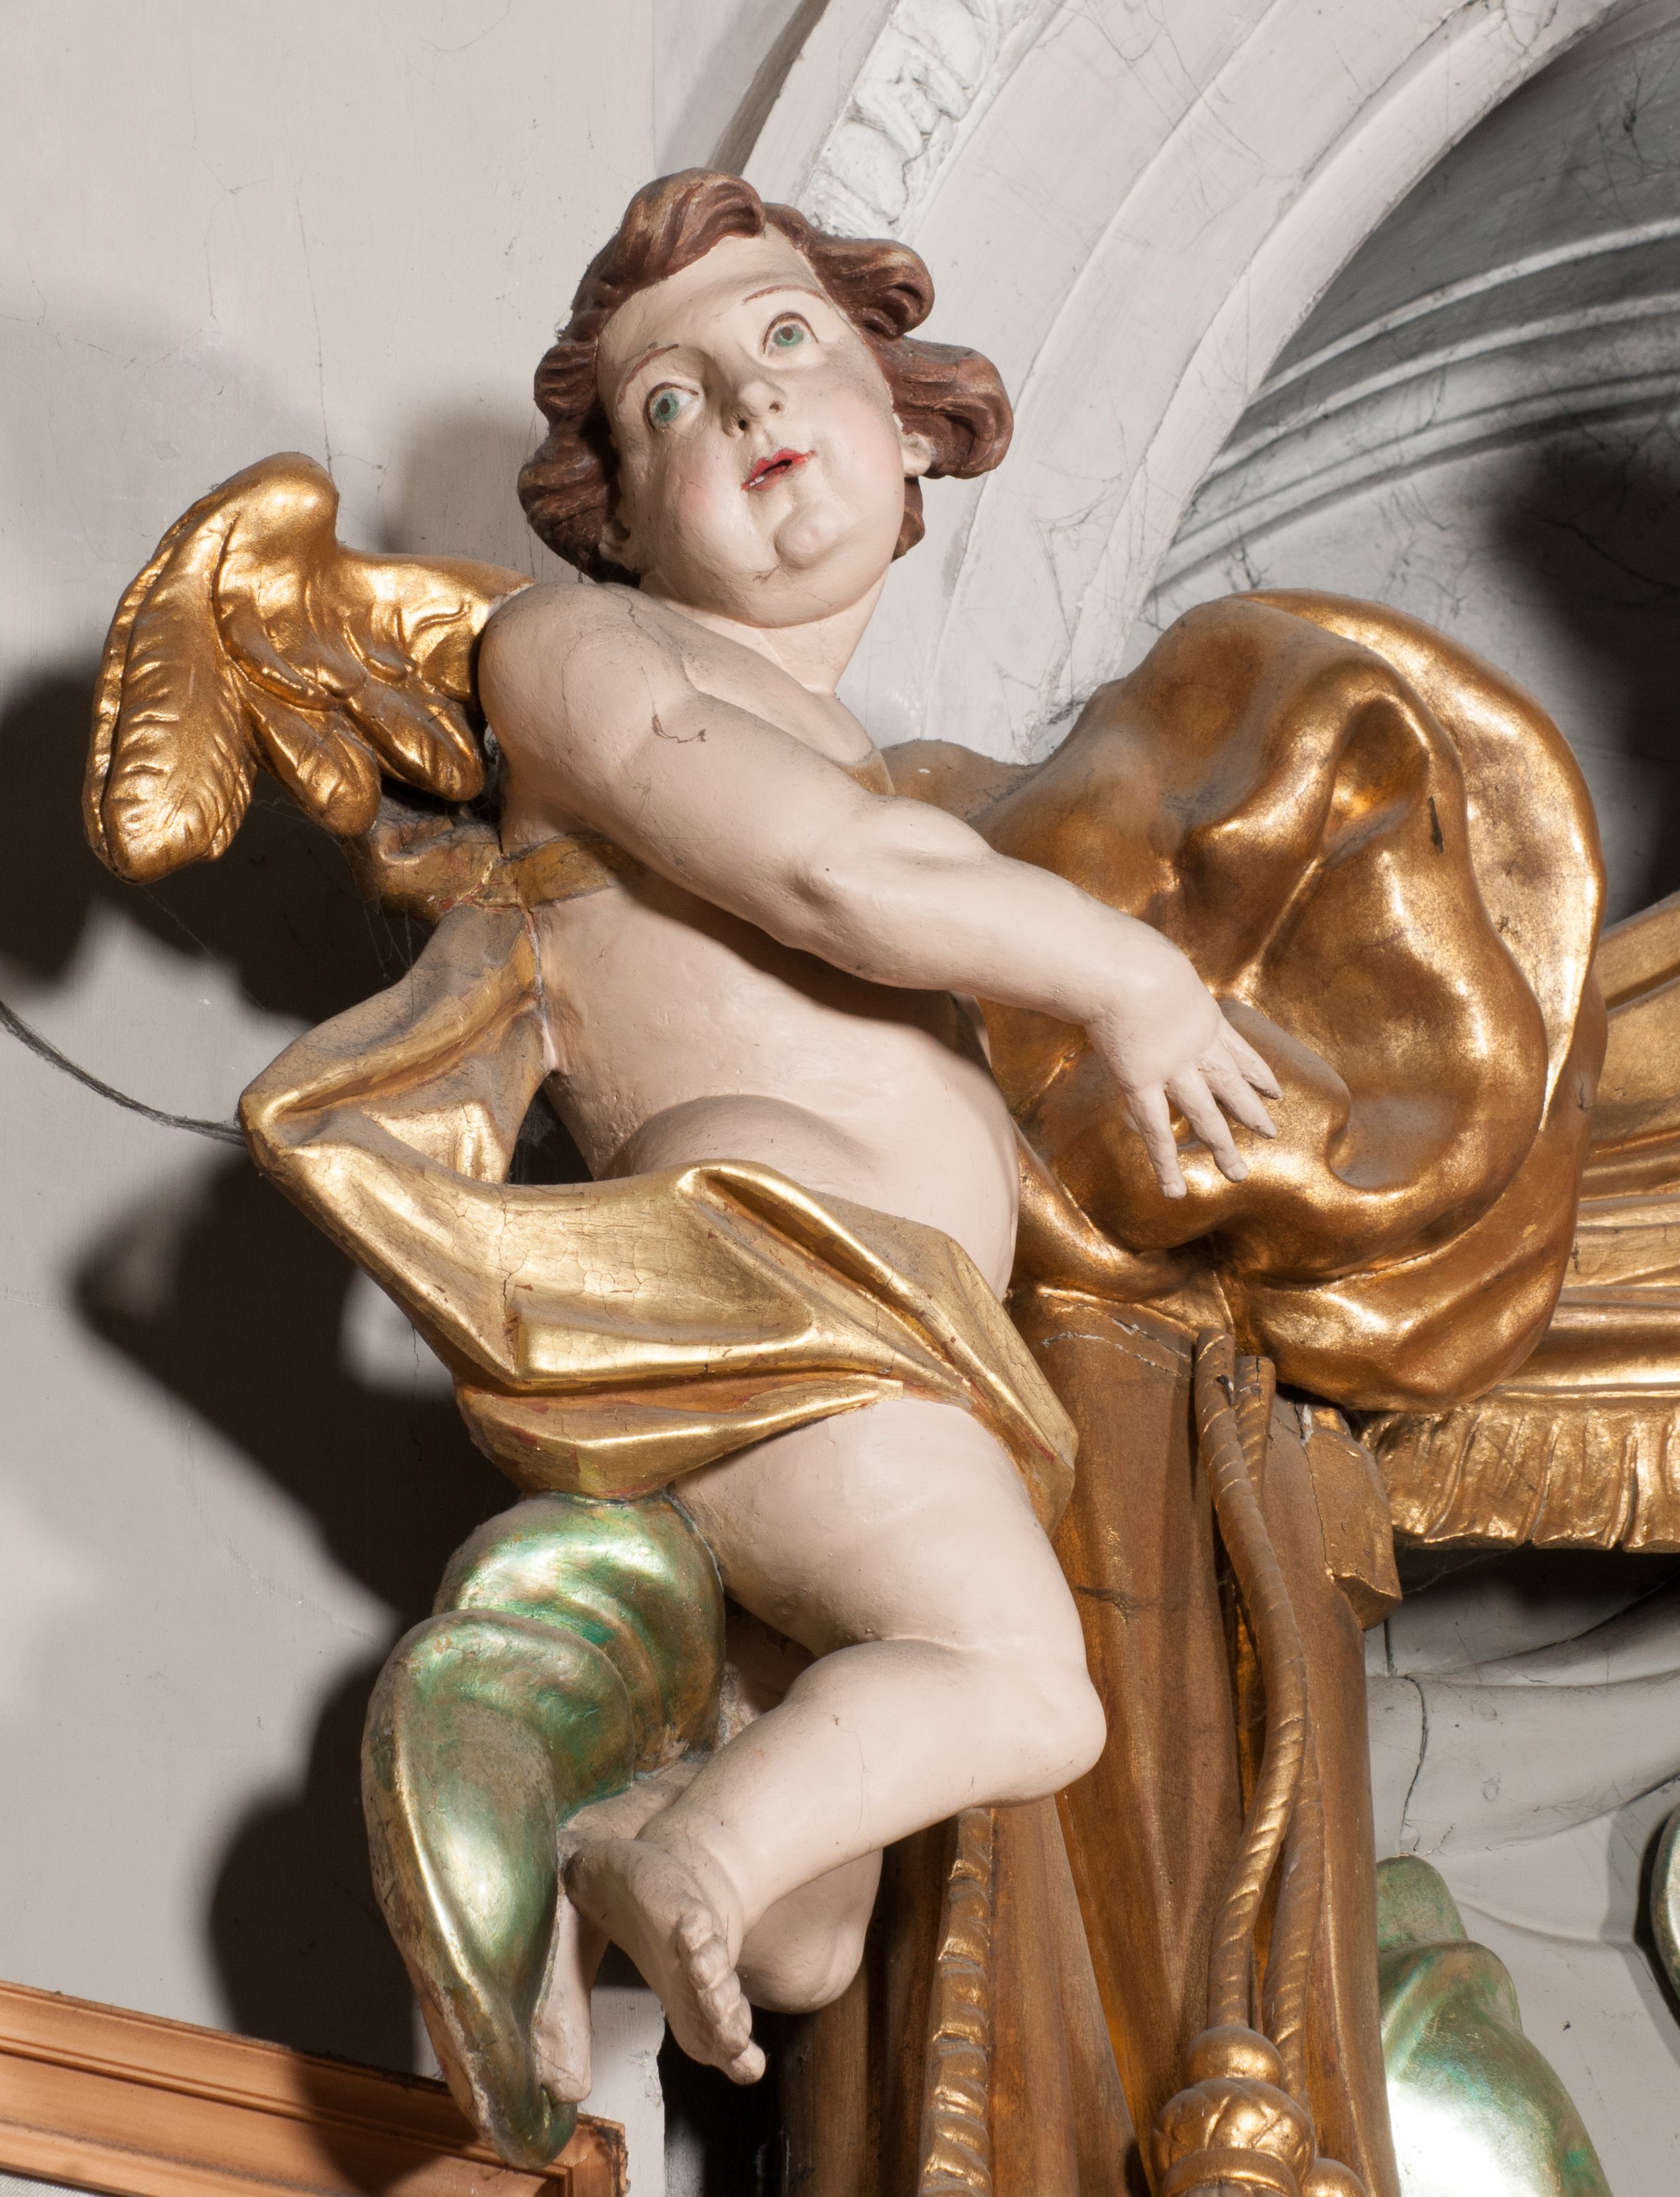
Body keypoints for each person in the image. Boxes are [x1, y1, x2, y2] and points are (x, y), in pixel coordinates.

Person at [473, 168, 1280, 2092]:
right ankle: (669, 1842)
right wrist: (1127, 978)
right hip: (775, 1258)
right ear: (616, 516)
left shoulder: (851, 741)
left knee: (811, 1941)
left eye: (785, 341)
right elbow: (833, 877)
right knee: (1023, 1689)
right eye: (671, 403)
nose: (747, 399)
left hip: (875, 1317)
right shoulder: (579, 655)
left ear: (912, 427)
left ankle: (568, 1834)